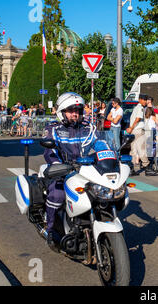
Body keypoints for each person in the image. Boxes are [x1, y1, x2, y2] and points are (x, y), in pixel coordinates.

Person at [43, 92, 110, 251]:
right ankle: (51, 229)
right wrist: (58, 165)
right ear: (61, 112)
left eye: (78, 110)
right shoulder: (53, 129)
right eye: (71, 110)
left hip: (86, 171)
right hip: (62, 171)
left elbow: (99, 143)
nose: (75, 113)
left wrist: (109, 155)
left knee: (104, 193)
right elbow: (49, 153)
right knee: (57, 194)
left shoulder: (88, 128)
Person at [127, 94, 155, 176]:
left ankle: (131, 168)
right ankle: (147, 167)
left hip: (134, 131)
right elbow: (138, 118)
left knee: (134, 150)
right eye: (144, 100)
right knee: (142, 149)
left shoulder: (136, 108)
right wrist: (131, 128)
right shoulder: (140, 108)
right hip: (138, 131)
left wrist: (131, 129)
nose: (146, 102)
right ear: (140, 100)